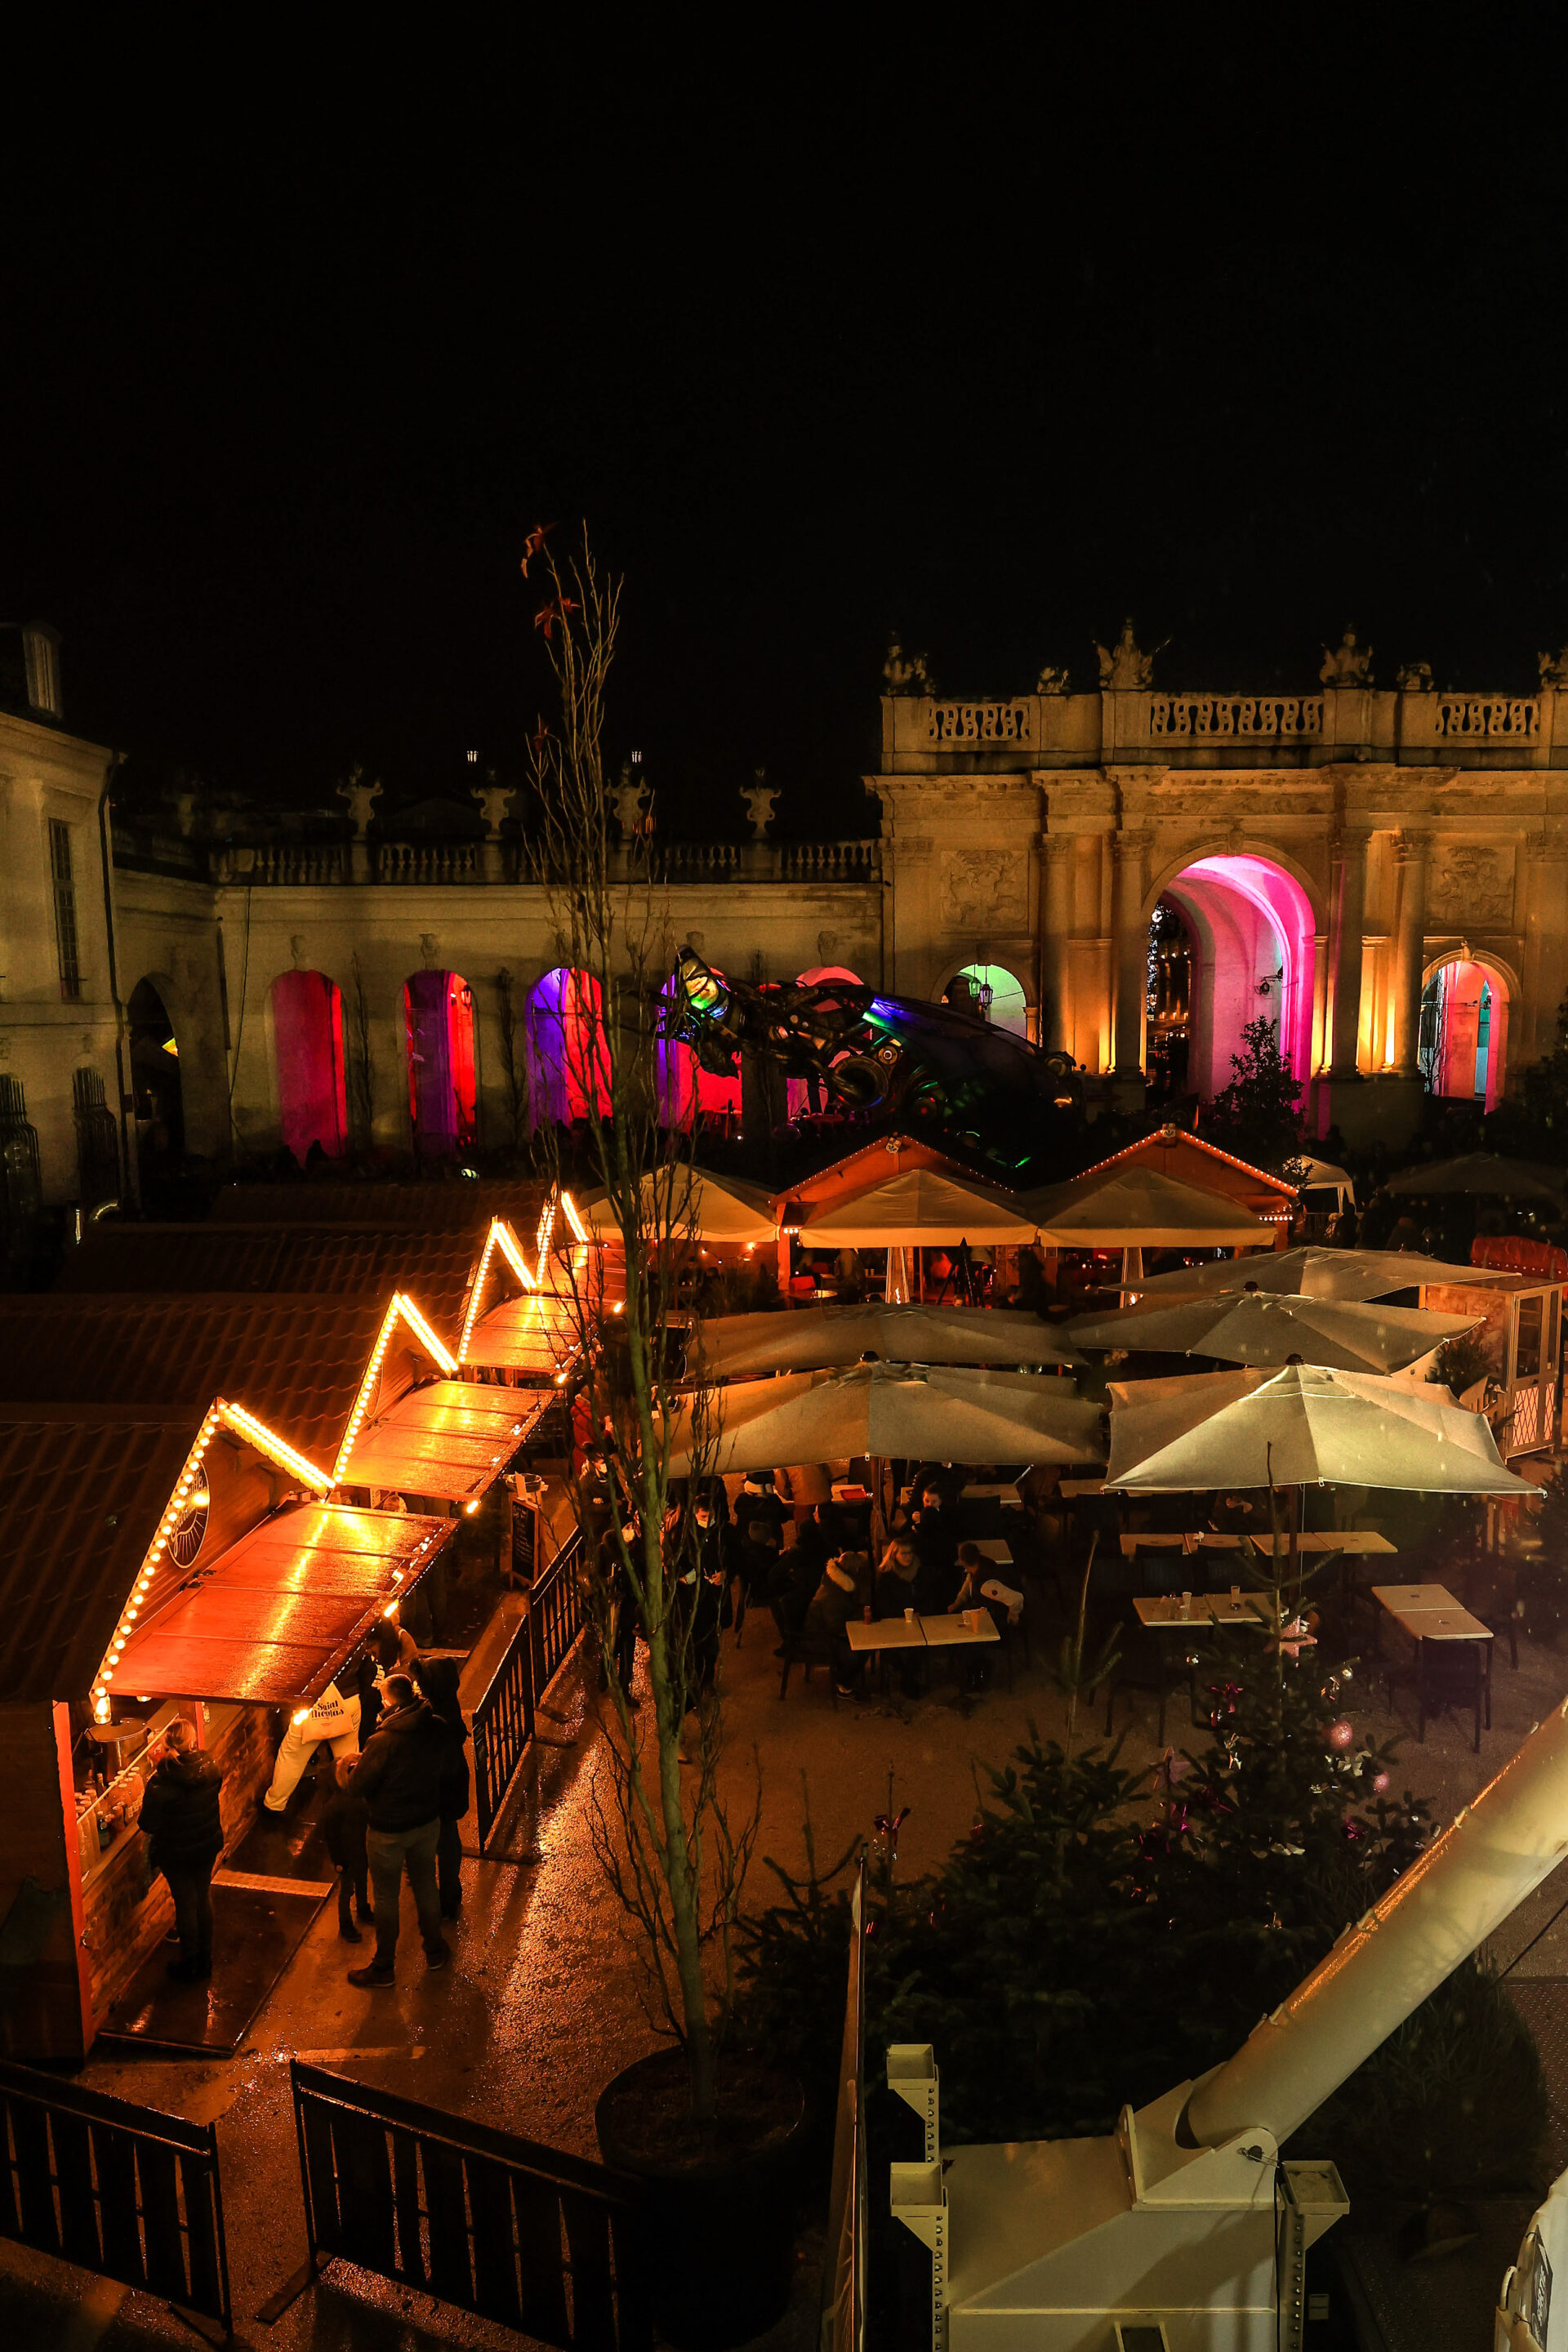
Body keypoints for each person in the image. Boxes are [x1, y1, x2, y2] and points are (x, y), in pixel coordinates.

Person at [344, 1672, 453, 1984]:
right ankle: (434, 1951)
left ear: (390, 1701)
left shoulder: (381, 1741)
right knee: (425, 1885)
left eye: (382, 1697)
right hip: (426, 1822)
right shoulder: (436, 1726)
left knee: (387, 1897)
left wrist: (353, 1768)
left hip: (387, 1830)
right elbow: (444, 1767)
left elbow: (358, 1786)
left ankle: (384, 1967)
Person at [137, 1719, 225, 1982]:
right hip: (207, 1844)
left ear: (166, 1746)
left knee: (185, 1904)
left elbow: (147, 1824)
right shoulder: (210, 1766)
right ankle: (205, 1961)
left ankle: (189, 1963)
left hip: (176, 1853)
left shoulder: (159, 1784)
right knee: (203, 1895)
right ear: (193, 1742)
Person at [414, 1656, 470, 1922]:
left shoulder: (434, 1717)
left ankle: (443, 1900)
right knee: (449, 1841)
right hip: (452, 1786)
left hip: (437, 1791)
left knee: (438, 1843)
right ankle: (451, 1895)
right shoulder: (449, 1702)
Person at [263, 1679, 361, 1814]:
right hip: (348, 1700)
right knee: (348, 1758)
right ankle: (351, 1805)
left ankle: (274, 1805)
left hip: (311, 1707)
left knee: (292, 1757)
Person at [804, 1548, 872, 1697]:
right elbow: (835, 1625)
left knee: (867, 1647)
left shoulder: (836, 1583)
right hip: (820, 1637)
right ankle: (842, 1684)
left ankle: (847, 1679)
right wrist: (858, 1620)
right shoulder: (833, 1596)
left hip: (830, 1631)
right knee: (855, 1654)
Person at [318, 1754, 370, 1941]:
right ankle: (346, 1924)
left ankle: (363, 1909)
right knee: (347, 1890)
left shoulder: (359, 1797)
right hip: (349, 1856)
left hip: (361, 1851)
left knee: (362, 1882)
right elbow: (332, 1837)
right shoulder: (336, 1806)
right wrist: (339, 1861)